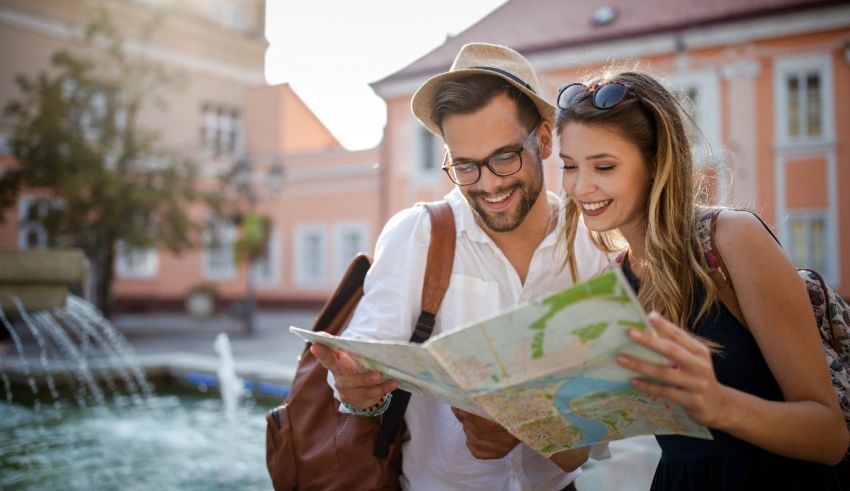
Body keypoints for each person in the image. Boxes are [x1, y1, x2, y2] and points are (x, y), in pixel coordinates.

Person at [311, 43, 611, 490]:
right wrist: (359, 390)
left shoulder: (591, 243)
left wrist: (527, 430)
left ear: (545, 139)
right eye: (466, 166)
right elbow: (367, 357)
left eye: (504, 157)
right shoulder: (418, 233)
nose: (488, 184)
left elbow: (589, 437)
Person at [554, 69, 848, 490]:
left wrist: (719, 405)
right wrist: (515, 413)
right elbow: (575, 451)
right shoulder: (614, 283)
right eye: (568, 166)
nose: (580, 186)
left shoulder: (731, 239)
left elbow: (831, 436)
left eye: (604, 165)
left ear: (656, 164)